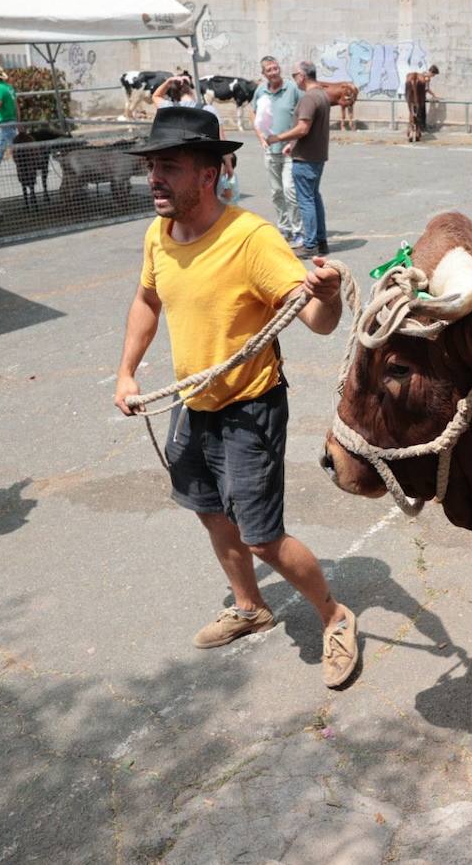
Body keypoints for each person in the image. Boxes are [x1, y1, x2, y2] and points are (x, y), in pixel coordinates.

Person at [113, 106, 359, 689]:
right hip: (191, 405)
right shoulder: (159, 234)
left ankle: (334, 614)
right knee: (208, 512)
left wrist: (327, 294)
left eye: (168, 166)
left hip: (249, 409)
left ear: (210, 173)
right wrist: (126, 373)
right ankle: (251, 607)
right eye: (151, 166)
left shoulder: (250, 239)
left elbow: (318, 321)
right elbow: (148, 302)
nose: (154, 178)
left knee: (261, 534)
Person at [264, 61, 329, 258]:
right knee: (314, 198)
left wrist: (278, 137)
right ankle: (321, 241)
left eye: (294, 75)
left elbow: (303, 128)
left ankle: (310, 245)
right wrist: (291, 145)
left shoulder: (309, 98)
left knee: (306, 200)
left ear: (302, 76)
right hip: (316, 155)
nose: (294, 79)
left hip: (306, 158)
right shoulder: (322, 95)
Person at [251, 56, 302, 245]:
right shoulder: (260, 91)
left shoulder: (292, 89)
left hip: (290, 150)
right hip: (270, 151)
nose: (274, 72)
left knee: (290, 190)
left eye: (275, 68)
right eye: (269, 70)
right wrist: (260, 138)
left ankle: (298, 230)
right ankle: (284, 228)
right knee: (276, 192)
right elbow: (254, 114)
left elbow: (302, 113)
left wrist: (294, 141)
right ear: (263, 74)